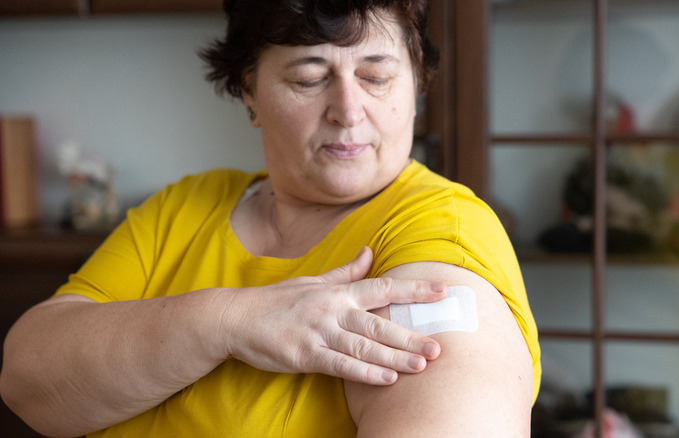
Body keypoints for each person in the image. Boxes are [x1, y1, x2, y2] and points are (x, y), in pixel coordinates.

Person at [0, 0, 541, 436]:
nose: (349, 110)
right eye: (309, 78)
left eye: (376, 76)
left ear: (416, 87)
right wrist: (227, 322)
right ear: (248, 92)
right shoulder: (186, 205)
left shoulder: (441, 233)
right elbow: (26, 381)